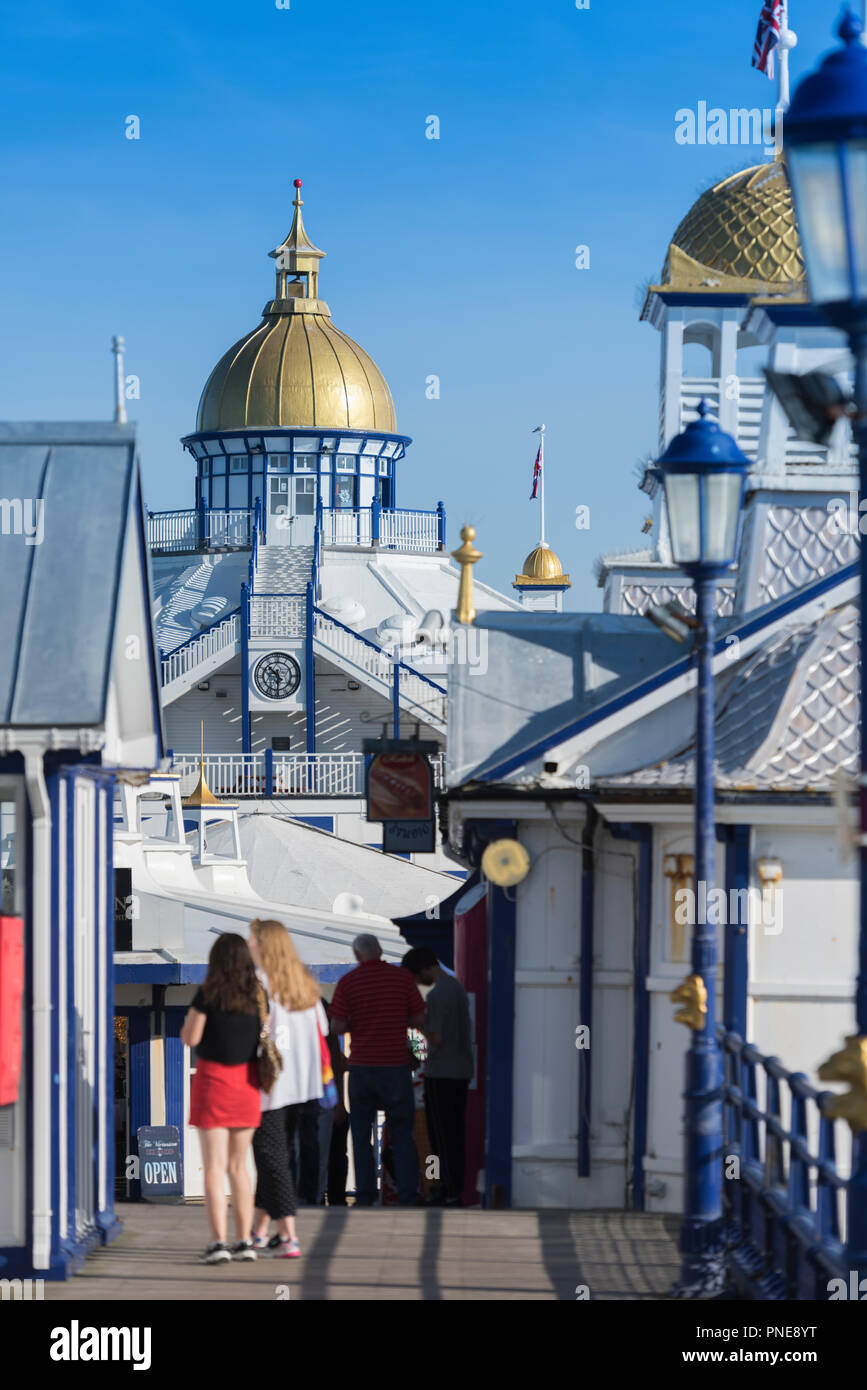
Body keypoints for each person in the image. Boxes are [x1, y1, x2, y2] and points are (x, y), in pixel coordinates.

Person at [248, 918, 328, 1258]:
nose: (248, 945)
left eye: (252, 940)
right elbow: (321, 1031)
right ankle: (258, 1231)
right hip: (301, 1083)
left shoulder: (259, 983)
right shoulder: (304, 985)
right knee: (277, 1156)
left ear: (264, 945)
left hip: (268, 1084)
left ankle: (288, 1234)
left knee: (271, 1157)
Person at [181, 933, 262, 1263]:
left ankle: (218, 1244)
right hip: (247, 1083)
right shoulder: (256, 996)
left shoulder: (208, 994)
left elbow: (191, 1037)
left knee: (214, 1167)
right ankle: (244, 1242)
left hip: (214, 1081)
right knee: (238, 1168)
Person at [330, 933, 426, 1207]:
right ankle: (408, 1195)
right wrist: (395, 1020)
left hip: (361, 1068)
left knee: (361, 1136)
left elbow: (336, 1027)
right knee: (403, 1135)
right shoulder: (402, 979)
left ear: (358, 955)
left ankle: (365, 1196)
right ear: (381, 951)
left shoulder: (348, 982)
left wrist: (358, 1023)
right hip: (395, 1068)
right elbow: (419, 1018)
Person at [401, 947, 473, 1206]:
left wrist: (416, 1023)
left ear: (423, 969)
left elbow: (436, 1037)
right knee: (453, 1133)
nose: (418, 984)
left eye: (416, 978)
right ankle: (453, 1189)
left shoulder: (439, 994)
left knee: (441, 1135)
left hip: (442, 1072)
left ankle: (448, 1190)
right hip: (460, 1071)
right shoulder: (456, 988)